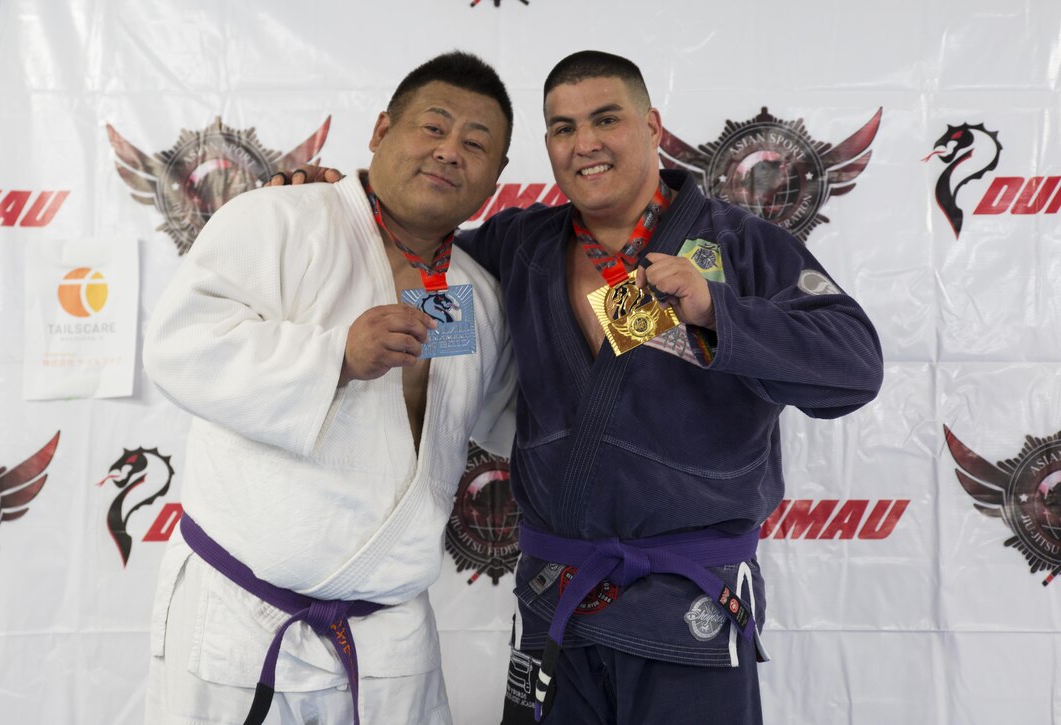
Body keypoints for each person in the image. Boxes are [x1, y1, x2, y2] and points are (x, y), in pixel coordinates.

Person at [280, 50, 883, 725]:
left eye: (605, 119)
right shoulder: (521, 245)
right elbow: (411, 251)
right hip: (554, 606)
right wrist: (330, 203)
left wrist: (719, 311)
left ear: (653, 125)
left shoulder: (742, 246)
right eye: (563, 128)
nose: (584, 142)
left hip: (690, 610)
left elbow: (857, 365)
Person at [142, 51, 517, 725]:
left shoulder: (477, 295)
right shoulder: (281, 220)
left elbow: (520, 417)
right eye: (433, 127)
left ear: (496, 178)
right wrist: (333, 356)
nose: (449, 152)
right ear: (380, 130)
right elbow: (179, 344)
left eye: (475, 143)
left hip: (391, 638)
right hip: (242, 618)